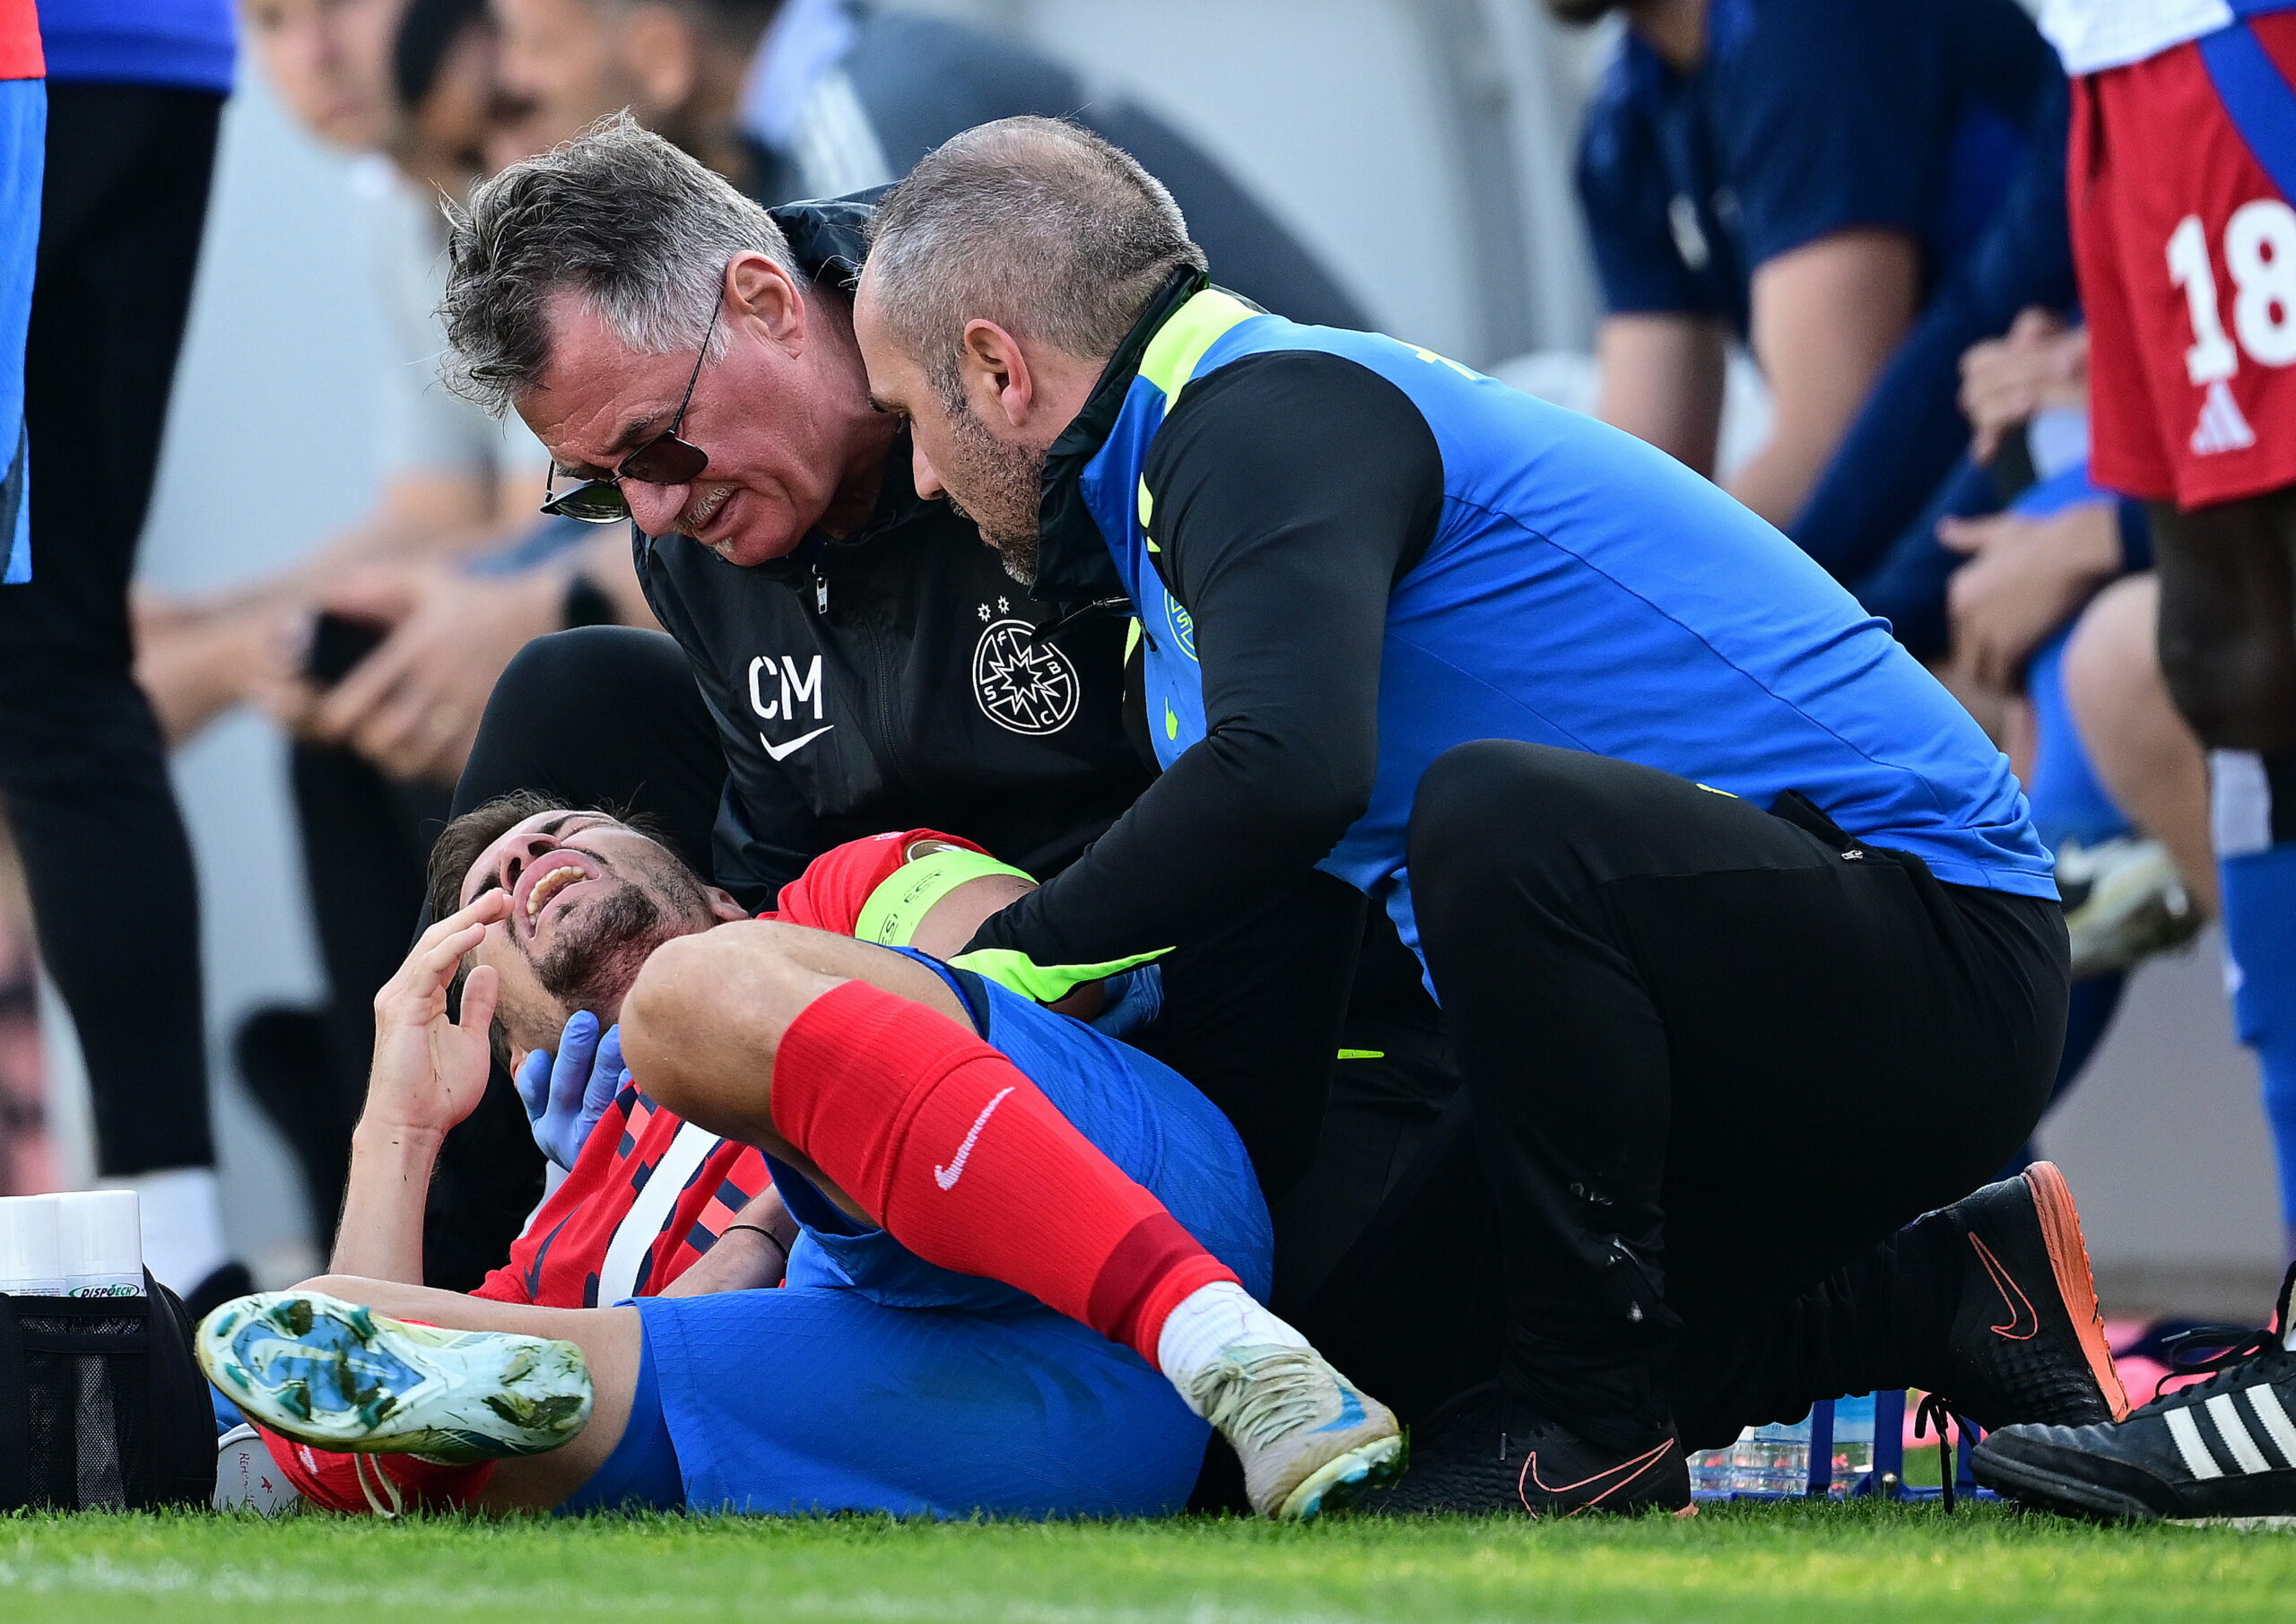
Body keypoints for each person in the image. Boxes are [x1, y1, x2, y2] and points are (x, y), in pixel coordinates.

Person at [848, 116, 2130, 1515]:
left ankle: (1599, 1433)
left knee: (1491, 812)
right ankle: (1956, 1291)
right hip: (1748, 983)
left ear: (996, 366)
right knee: (1353, 1411)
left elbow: (1289, 770)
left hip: (1937, 952)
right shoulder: (1174, 499)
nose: (919, 476)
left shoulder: (1260, 413)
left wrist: (1002, 960)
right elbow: (1260, 898)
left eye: (910, 418)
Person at [434, 116, 1363, 1272]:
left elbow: (1282, 745)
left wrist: (947, 996)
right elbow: (781, 854)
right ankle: (441, 1315)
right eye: (602, 487)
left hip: (1176, 929)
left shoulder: (1019, 326)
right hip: (901, 923)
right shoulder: (691, 545)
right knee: (556, 717)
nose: (656, 513)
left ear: (768, 301)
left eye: (657, 451)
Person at [199, 798, 1405, 1520]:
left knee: (687, 996)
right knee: (325, 1326)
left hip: (1144, 1188)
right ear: (497, 1019)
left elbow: (1054, 984)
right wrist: (396, 1126)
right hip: (1006, 1422)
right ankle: (569, 1405)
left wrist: (760, 1216)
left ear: (706, 881)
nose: (527, 863)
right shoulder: (567, 1225)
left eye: (560, 833)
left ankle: (1222, 1339)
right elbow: (319, 1377)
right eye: (492, 896)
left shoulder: (836, 895)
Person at [0, 0, 241, 1306]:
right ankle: (175, 1248)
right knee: (55, 662)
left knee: (48, 663)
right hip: (143, 55)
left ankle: (166, 1252)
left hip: (40, 64)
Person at [1552, 0, 2062, 528]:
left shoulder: (1814, 22)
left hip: (2051, 464)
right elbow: (1640, 487)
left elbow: (1825, 450)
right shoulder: (1627, 108)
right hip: (1950, 501)